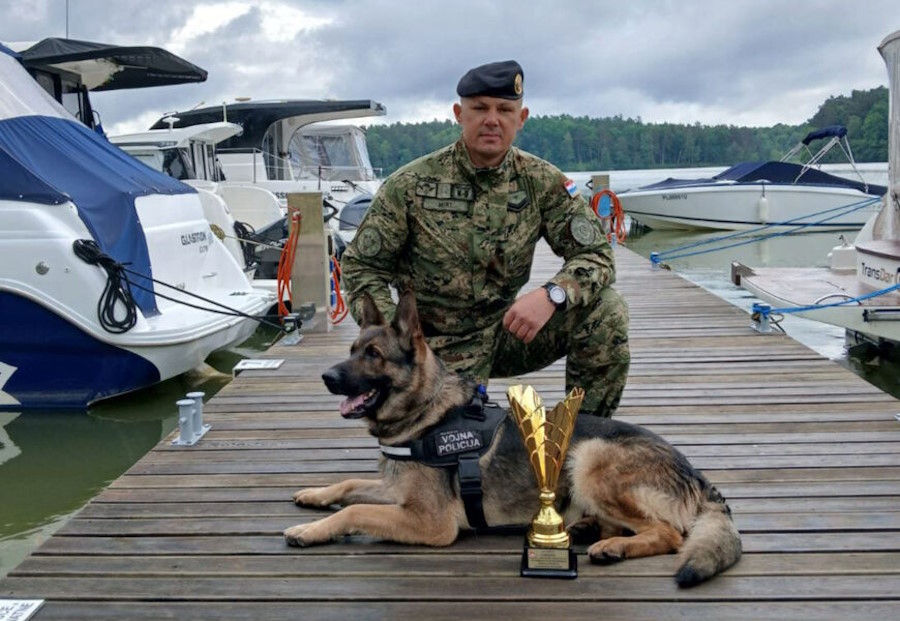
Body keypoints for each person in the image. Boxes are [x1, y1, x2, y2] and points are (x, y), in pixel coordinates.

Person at [340, 60, 630, 417]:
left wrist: (552, 294)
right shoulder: (410, 186)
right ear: (459, 114)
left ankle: (582, 437)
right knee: (449, 451)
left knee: (606, 311)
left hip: (506, 333)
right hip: (431, 347)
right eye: (480, 108)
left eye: (504, 110)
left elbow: (597, 254)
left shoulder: (540, 182)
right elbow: (360, 266)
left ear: (520, 118)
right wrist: (395, 338)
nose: (492, 119)